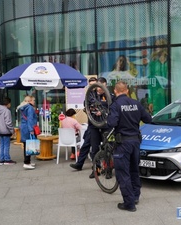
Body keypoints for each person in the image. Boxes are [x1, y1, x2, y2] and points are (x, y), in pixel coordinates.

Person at [106, 81, 152, 212]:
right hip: (136, 142)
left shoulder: (116, 105)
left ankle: (129, 203)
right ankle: (136, 196)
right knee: (134, 170)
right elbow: (148, 119)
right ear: (127, 90)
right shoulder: (136, 104)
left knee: (123, 173)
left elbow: (112, 123)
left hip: (123, 144)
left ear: (115, 91)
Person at [70, 77, 113, 179]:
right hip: (93, 125)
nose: (99, 90)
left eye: (102, 88)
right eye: (98, 87)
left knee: (108, 148)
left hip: (106, 126)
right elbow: (86, 104)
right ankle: (96, 170)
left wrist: (102, 111)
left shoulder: (110, 96)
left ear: (105, 85)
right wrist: (93, 109)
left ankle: (108, 170)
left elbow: (111, 107)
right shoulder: (90, 94)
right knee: (94, 149)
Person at [148, 38, 169, 115]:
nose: (156, 48)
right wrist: (150, 101)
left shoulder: (169, 62)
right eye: (155, 46)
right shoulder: (153, 64)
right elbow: (150, 83)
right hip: (157, 96)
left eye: (158, 46)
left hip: (169, 94)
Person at [18, 95, 38, 170]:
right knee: (28, 146)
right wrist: (31, 130)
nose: (34, 102)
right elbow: (30, 119)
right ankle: (26, 162)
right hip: (28, 128)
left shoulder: (23, 107)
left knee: (26, 145)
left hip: (24, 128)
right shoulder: (30, 108)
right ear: (30, 101)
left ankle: (28, 162)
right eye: (33, 100)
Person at [0, 97, 16, 165]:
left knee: (1, 145)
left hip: (0, 130)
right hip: (6, 130)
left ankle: (1, 160)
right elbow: (8, 122)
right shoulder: (7, 111)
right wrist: (12, 131)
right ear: (8, 103)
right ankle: (7, 159)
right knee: (6, 145)